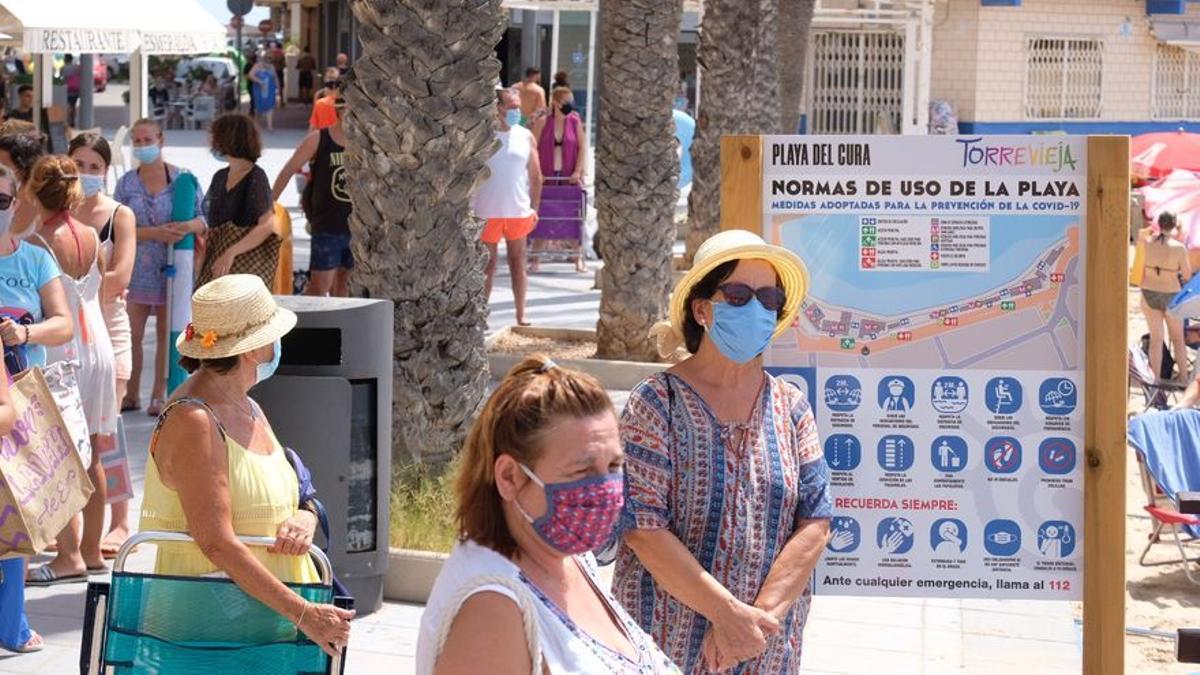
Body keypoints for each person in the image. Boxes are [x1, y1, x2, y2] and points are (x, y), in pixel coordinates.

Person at [607, 229, 832, 673]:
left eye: (769, 299)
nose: (757, 308)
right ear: (702, 308)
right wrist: (727, 614)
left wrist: (751, 628)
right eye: (739, 294)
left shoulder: (791, 407)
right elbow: (643, 529)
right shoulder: (656, 403)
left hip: (764, 650)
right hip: (664, 646)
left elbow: (816, 521)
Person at [416, 356, 679, 674]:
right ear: (510, 477)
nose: (606, 488)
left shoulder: (574, 558)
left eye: (613, 466)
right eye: (582, 470)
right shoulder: (491, 612)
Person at [141, 274, 354, 659]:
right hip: (214, 633)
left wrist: (304, 517)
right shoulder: (195, 420)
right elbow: (215, 542)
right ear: (253, 350)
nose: (278, 345)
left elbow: (289, 490)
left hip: (263, 630)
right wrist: (304, 614)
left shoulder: (247, 405)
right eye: (273, 335)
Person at [23, 155, 118, 586]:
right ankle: (92, 550)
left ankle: (68, 555)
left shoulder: (38, 242)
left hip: (62, 349)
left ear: (33, 191)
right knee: (95, 451)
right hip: (98, 344)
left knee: (58, 455)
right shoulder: (91, 235)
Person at [0, 162, 71, 653]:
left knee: (16, 513)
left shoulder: (34, 261)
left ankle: (12, 623)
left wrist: (24, 332)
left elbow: (64, 324)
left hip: (22, 401)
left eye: (1, 201)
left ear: (16, 204)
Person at [69, 132, 137, 557]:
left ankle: (121, 520)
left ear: (106, 171)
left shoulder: (119, 215)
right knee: (74, 435)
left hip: (109, 336)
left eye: (95, 166)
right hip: (70, 338)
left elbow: (119, 281)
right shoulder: (59, 212)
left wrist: (64, 289)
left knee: (106, 434)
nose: (87, 173)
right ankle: (76, 525)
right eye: (79, 164)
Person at [113, 118, 205, 416]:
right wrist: (155, 233)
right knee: (132, 334)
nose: (142, 146)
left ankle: (159, 394)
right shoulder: (127, 183)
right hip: (136, 269)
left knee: (168, 334)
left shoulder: (182, 180)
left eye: (147, 139)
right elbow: (115, 228)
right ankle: (130, 393)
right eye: (137, 141)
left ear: (161, 140)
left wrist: (184, 227)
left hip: (173, 270)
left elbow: (204, 219)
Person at [474, 88, 541, 327]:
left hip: (517, 210)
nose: (516, 111)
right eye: (512, 107)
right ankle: (480, 315)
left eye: (518, 107)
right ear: (498, 107)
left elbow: (535, 176)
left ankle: (521, 314)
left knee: (518, 262)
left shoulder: (525, 136)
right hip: (487, 210)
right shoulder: (483, 137)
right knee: (487, 266)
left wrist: (535, 207)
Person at [273, 97, 352, 296]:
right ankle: (307, 325)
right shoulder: (319, 139)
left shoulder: (365, 142)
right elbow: (289, 169)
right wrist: (269, 204)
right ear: (340, 112)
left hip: (357, 226)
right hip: (327, 224)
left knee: (345, 285)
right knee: (319, 286)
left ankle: (341, 326)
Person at [199, 113, 277, 287]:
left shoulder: (256, 177)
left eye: (214, 137)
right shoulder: (220, 176)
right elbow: (212, 228)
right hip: (217, 268)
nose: (211, 142)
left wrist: (231, 252)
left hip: (244, 270)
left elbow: (267, 225)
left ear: (226, 139)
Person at [530, 86, 588, 274]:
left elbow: (582, 148)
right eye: (566, 101)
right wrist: (537, 173)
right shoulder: (543, 122)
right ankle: (535, 259)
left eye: (571, 100)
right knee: (543, 217)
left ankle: (578, 258)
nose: (570, 105)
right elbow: (533, 149)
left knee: (571, 217)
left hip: (568, 177)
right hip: (546, 176)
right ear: (555, 102)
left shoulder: (574, 121)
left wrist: (578, 171)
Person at [1138, 212, 1192, 383]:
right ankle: (1183, 378)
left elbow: (1141, 235)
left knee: (1156, 339)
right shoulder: (1178, 248)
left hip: (1149, 293)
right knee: (1177, 338)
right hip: (1171, 295)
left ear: (1158, 224)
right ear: (1175, 225)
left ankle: (1157, 379)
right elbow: (1187, 274)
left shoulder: (1146, 242)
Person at [249, 57, 278, 132]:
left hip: (270, 89)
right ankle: (256, 125)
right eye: (267, 63)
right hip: (259, 90)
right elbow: (250, 75)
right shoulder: (257, 66)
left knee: (270, 106)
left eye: (270, 63)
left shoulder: (272, 67)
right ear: (263, 61)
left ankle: (270, 126)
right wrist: (259, 81)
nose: (268, 65)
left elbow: (275, 78)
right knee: (259, 107)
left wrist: (277, 88)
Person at [63, 54, 81, 127]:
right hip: (75, 89)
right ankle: (72, 120)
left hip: (67, 89)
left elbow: (63, 78)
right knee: (73, 105)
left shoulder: (63, 68)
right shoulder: (76, 67)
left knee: (68, 105)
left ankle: (68, 120)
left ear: (65, 59)